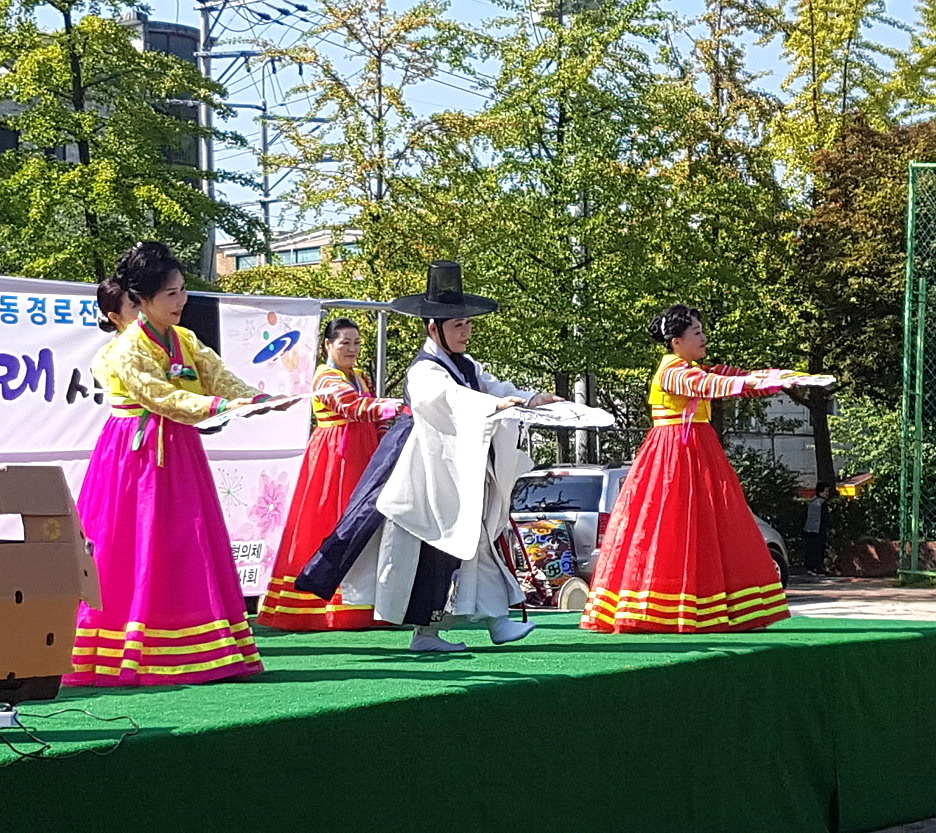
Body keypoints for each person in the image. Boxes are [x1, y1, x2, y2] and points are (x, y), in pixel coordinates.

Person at [305, 262, 555, 653]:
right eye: (458, 325)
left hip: (457, 465)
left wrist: (529, 398)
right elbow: (447, 399)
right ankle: (426, 633)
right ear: (433, 328)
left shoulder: (468, 366)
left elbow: (494, 387)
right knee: (427, 550)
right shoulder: (425, 370)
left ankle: (497, 619)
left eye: (467, 325)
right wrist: (492, 403)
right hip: (421, 471)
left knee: (478, 539)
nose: (466, 332)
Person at [67, 240, 264, 686]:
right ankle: (130, 648)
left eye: (181, 291)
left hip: (179, 447)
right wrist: (215, 407)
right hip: (134, 455)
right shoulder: (126, 350)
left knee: (186, 538)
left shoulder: (185, 339)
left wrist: (255, 399)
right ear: (141, 301)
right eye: (171, 294)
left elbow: (220, 376)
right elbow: (160, 396)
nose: (182, 301)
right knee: (136, 543)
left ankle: (195, 644)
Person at [581, 304, 806, 633]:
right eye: (696, 332)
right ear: (676, 341)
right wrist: (758, 381)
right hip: (675, 456)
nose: (703, 337)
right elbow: (711, 385)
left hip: (696, 452)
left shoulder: (690, 368)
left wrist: (777, 379)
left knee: (707, 527)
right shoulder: (674, 371)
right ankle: (665, 610)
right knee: (674, 527)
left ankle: (714, 606)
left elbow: (728, 378)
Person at [256, 319, 403, 630]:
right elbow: (350, 406)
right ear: (327, 346)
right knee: (328, 518)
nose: (351, 349)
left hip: (365, 455)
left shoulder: (361, 377)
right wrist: (391, 407)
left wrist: (385, 436)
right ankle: (321, 605)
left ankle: (368, 602)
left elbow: (371, 415)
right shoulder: (325, 377)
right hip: (334, 457)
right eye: (344, 343)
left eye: (356, 343)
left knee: (368, 523)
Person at [803, 483, 833, 576]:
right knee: (819, 549)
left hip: (809, 529)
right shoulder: (822, 503)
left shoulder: (812, 502)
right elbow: (825, 518)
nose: (827, 493)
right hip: (819, 529)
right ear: (821, 492)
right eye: (826, 491)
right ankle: (818, 567)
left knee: (811, 549)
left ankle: (811, 567)